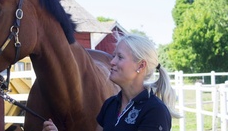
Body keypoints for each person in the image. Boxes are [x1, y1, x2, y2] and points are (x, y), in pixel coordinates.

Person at [42, 33, 181, 131]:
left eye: (119, 57)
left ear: (140, 66)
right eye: (114, 56)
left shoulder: (155, 111)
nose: (112, 62)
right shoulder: (110, 105)